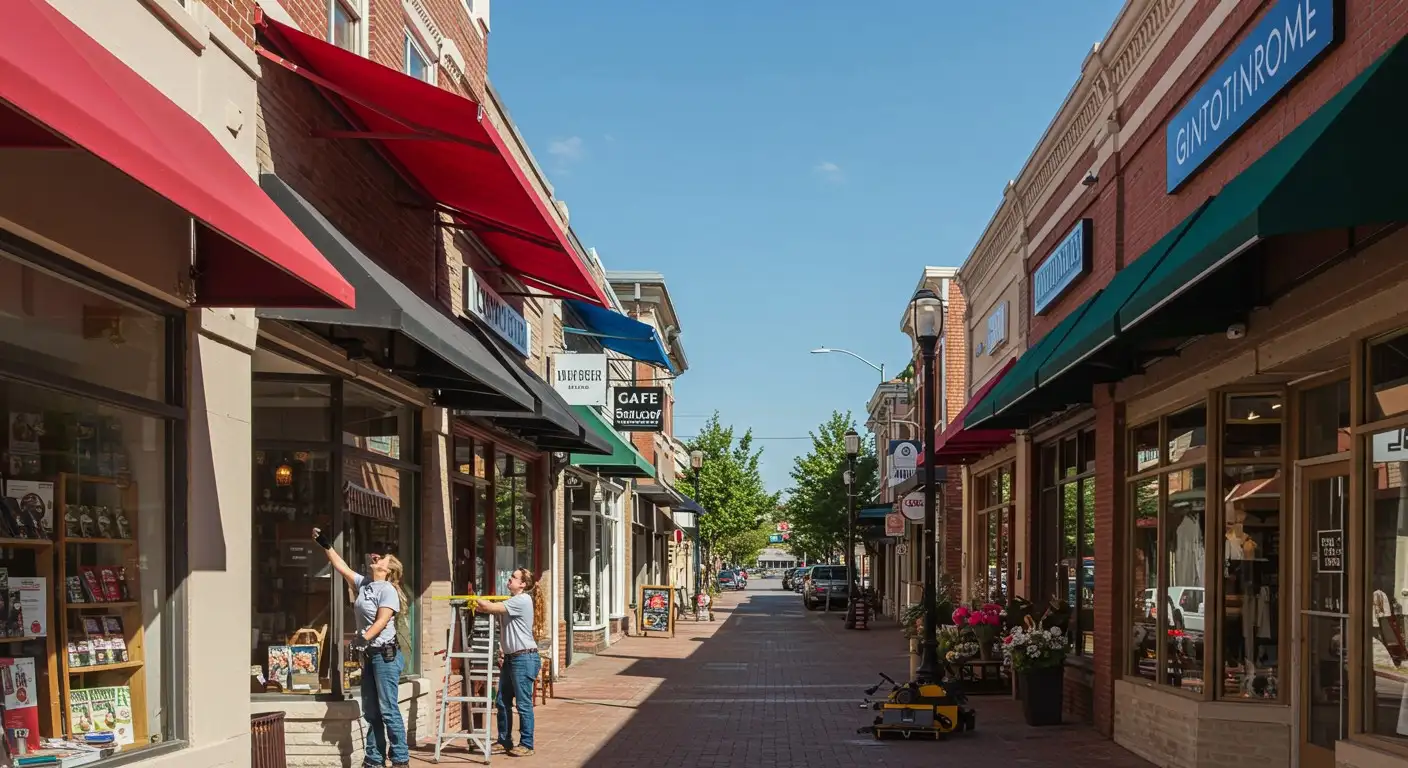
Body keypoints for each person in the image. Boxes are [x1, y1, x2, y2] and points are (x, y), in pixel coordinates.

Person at [312, 528, 410, 768]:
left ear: (389, 570)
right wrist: (326, 545)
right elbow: (342, 567)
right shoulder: (365, 584)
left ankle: (400, 758)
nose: (376, 558)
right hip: (370, 655)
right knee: (371, 711)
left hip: (386, 657)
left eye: (383, 559)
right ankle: (374, 758)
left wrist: (362, 637)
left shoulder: (389, 591)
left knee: (388, 710)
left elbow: (382, 620)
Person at [473, 568, 545, 757]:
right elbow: (487, 609)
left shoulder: (522, 600)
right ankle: (504, 740)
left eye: (514, 577)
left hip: (524, 657)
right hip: (511, 657)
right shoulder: (511, 601)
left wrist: (474, 597)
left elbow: (488, 608)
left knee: (523, 704)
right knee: (502, 701)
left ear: (523, 584)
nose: (510, 579)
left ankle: (527, 744)